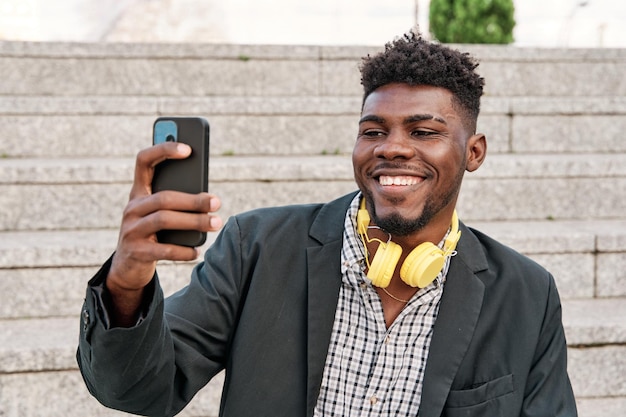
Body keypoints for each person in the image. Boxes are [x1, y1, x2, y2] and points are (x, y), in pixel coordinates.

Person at [77, 31, 577, 417]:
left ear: (473, 152)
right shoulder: (257, 248)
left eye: (423, 131)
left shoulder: (527, 295)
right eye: (373, 130)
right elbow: (140, 389)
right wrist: (126, 281)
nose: (392, 147)